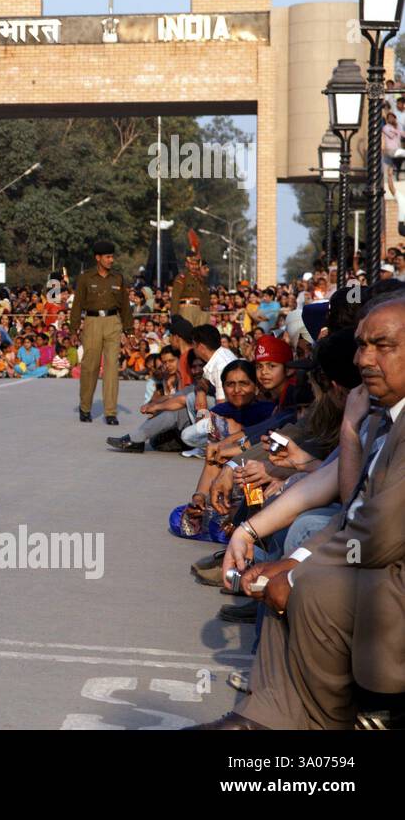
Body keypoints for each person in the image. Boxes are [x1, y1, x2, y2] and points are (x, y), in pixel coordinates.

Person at [190, 295, 405, 729]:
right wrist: (273, 552)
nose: (364, 359)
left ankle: (324, 721)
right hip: (378, 560)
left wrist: (297, 571)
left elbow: (377, 533)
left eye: (382, 346)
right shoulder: (386, 416)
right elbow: (354, 513)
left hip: (388, 569)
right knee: (285, 573)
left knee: (310, 586)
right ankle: (265, 716)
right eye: (362, 346)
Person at [69, 239, 133, 424]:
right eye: (108, 257)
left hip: (113, 322)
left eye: (112, 256)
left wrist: (128, 331)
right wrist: (73, 329)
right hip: (92, 322)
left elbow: (125, 306)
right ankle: (85, 407)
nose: (111, 260)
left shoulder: (118, 278)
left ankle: (110, 412)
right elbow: (77, 305)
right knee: (91, 366)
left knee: (112, 367)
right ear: (98, 258)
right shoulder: (85, 278)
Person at [171, 251, 210, 326]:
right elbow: (175, 297)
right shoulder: (182, 278)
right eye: (192, 264)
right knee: (188, 332)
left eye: (196, 264)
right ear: (186, 264)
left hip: (200, 310)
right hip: (187, 309)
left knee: (199, 335)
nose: (194, 266)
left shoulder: (200, 279)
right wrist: (174, 315)